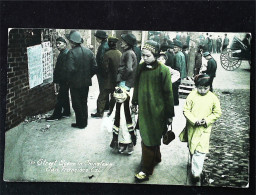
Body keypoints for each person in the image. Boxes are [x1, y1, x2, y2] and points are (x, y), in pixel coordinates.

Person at [132, 40, 175, 182]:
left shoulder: (164, 70)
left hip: (158, 112)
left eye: (147, 56)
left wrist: (169, 115)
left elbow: (169, 94)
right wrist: (134, 102)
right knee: (147, 137)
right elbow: (136, 85)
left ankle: (146, 170)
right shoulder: (141, 68)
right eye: (143, 55)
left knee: (151, 137)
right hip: (144, 110)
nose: (144, 58)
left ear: (156, 55)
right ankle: (153, 159)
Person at [182, 74, 221, 184]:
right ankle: (194, 164)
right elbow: (186, 110)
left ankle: (196, 173)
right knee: (192, 147)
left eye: (206, 88)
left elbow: (217, 112)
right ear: (196, 86)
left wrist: (207, 120)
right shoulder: (192, 96)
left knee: (200, 150)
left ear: (210, 87)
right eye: (200, 88)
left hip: (204, 129)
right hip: (192, 127)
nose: (203, 90)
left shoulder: (213, 98)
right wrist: (194, 120)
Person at [110, 33, 137, 154]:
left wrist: (121, 78)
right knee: (122, 115)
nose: (121, 43)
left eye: (123, 42)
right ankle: (124, 142)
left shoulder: (128, 53)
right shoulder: (130, 53)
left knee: (123, 115)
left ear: (128, 44)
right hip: (126, 85)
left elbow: (129, 69)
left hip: (125, 86)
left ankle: (127, 142)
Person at [65, 30, 97, 129]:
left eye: (70, 41)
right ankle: (84, 122)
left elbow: (70, 70)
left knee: (76, 103)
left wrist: (69, 80)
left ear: (73, 42)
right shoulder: (89, 52)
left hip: (75, 83)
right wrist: (88, 76)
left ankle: (80, 123)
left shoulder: (71, 53)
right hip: (86, 82)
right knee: (83, 102)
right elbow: (95, 68)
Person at [91, 37, 122, 118]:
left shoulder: (107, 54)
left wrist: (103, 75)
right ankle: (111, 113)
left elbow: (105, 68)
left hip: (107, 80)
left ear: (109, 44)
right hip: (116, 80)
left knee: (102, 97)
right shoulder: (119, 53)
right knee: (113, 97)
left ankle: (99, 113)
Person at [46, 37, 70, 121]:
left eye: (60, 43)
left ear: (65, 44)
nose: (57, 45)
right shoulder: (63, 53)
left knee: (60, 97)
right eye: (57, 44)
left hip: (64, 80)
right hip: (64, 80)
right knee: (65, 95)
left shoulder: (65, 53)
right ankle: (67, 112)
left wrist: (59, 80)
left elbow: (63, 69)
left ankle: (56, 115)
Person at [92, 30, 110, 117]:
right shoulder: (107, 45)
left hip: (102, 72)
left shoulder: (102, 47)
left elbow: (102, 61)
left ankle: (101, 110)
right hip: (106, 72)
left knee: (103, 90)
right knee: (105, 90)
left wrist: (100, 72)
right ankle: (106, 106)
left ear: (99, 39)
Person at [173, 39, 186, 105]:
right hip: (181, 74)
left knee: (174, 89)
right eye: (174, 47)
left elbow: (178, 66)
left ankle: (175, 102)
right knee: (176, 89)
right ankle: (176, 101)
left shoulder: (177, 55)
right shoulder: (182, 54)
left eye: (175, 47)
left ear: (179, 48)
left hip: (177, 74)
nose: (174, 48)